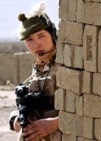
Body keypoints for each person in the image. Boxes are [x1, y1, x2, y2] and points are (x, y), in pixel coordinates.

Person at [8, 2, 61, 141]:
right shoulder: (39, 68)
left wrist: (55, 123)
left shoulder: (67, 66)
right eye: (29, 39)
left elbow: (89, 108)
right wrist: (16, 119)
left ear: (52, 34)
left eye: (41, 36)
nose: (36, 44)